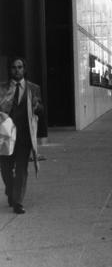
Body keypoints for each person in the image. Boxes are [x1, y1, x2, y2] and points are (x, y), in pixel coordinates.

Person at [0, 57, 43, 214]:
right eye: (13, 67)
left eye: (19, 67)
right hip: (5, 135)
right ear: (9, 69)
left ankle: (17, 201)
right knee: (5, 168)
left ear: (24, 69)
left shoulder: (33, 88)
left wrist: (37, 107)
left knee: (21, 169)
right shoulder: (2, 88)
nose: (16, 70)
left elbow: (41, 109)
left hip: (24, 135)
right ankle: (10, 191)